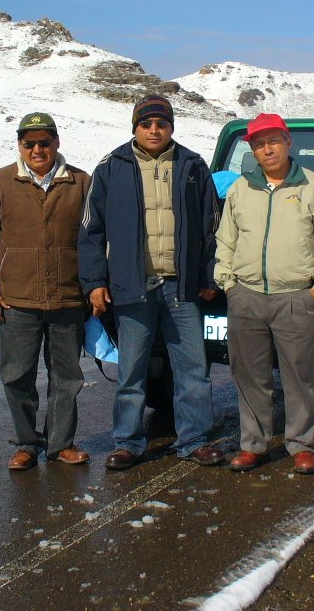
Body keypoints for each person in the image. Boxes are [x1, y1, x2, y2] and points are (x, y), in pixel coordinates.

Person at [78, 95, 224, 470]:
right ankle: (127, 442)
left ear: (171, 127)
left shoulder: (192, 166)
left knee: (193, 368)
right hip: (133, 285)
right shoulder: (112, 167)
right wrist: (95, 282)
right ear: (135, 128)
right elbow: (91, 231)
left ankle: (194, 439)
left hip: (182, 286)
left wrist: (210, 275)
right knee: (132, 370)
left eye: (161, 123)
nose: (154, 130)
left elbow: (213, 228)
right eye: (147, 124)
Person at [214, 113, 314, 474]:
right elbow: (226, 240)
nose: (267, 149)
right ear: (253, 152)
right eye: (258, 144)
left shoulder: (313, 187)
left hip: (295, 298)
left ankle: (302, 445)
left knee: (299, 377)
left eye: (273, 140)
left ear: (288, 142)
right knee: (248, 375)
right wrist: (228, 284)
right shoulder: (241, 189)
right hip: (246, 297)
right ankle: (253, 445)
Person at [0, 112, 92, 471]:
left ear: (57, 142)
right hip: (17, 302)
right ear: (20, 146)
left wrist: (94, 287)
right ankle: (26, 443)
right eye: (29, 143)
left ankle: (60, 444)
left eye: (44, 142)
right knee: (16, 376)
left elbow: (96, 240)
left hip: (69, 299)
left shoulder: (81, 183)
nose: (37, 149)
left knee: (67, 378)